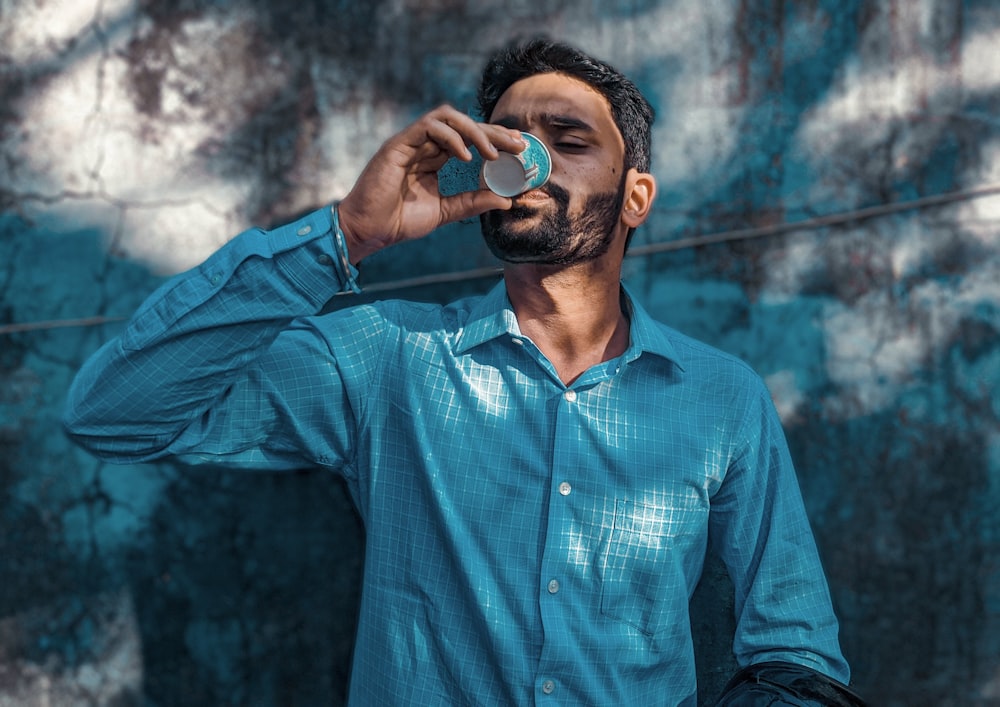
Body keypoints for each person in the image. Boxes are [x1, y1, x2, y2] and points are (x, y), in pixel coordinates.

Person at [64, 37, 864, 706]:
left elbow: (796, 648)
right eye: (503, 139)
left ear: (636, 196)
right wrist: (344, 236)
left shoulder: (723, 397)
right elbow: (113, 413)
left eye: (568, 140)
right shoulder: (388, 357)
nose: (524, 159)